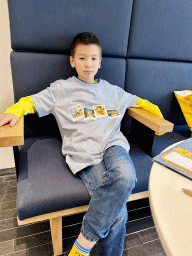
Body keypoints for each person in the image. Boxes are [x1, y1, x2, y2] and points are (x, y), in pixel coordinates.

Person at [0, 32, 163, 256]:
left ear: (100, 62)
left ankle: (82, 244)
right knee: (117, 215)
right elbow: (31, 102)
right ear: (72, 61)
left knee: (126, 176)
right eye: (83, 58)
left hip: (113, 146)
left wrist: (159, 115)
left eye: (94, 58)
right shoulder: (60, 89)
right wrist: (14, 111)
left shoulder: (112, 90)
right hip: (85, 153)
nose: (89, 64)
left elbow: (141, 102)